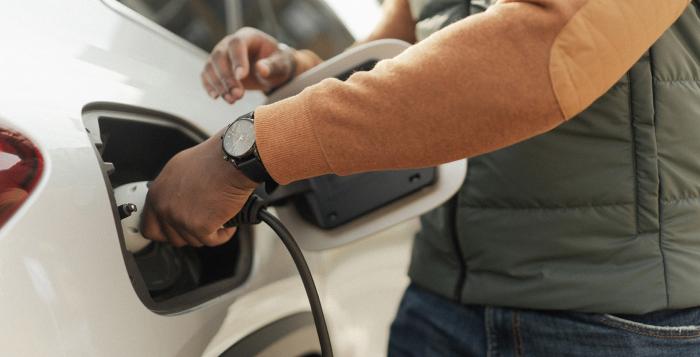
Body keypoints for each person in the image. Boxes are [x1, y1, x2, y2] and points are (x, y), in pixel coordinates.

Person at [141, 0, 700, 355]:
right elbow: (405, 70)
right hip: (439, 305)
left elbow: (543, 52)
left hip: (611, 324)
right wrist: (298, 73)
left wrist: (248, 149)